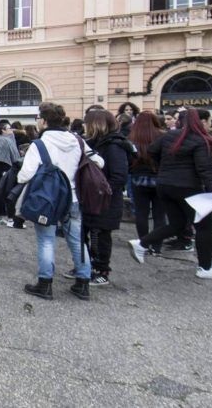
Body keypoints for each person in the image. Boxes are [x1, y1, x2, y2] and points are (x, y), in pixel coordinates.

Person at [129, 108, 212, 279]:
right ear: (202, 122)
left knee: (177, 224)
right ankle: (205, 268)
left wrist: (164, 167)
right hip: (189, 188)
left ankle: (142, 243)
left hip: (165, 185)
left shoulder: (169, 136)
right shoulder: (202, 140)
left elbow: (152, 150)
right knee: (204, 227)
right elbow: (206, 169)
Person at [20, 102, 103, 301]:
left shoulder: (39, 144)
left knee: (46, 241)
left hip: (47, 200)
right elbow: (99, 162)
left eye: (38, 118)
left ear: (44, 120)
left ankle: (45, 284)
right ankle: (83, 283)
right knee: (77, 240)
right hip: (73, 198)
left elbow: (25, 175)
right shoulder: (77, 140)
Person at [80, 109, 131, 287]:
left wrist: (102, 191)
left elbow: (119, 176)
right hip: (90, 197)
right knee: (82, 233)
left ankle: (101, 270)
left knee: (100, 236)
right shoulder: (93, 143)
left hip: (104, 200)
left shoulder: (114, 146)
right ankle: (84, 266)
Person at [128, 112, 165, 255]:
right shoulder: (162, 136)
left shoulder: (132, 137)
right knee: (159, 215)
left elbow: (129, 159)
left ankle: (143, 243)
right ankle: (157, 247)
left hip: (139, 178)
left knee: (141, 213)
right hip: (159, 178)